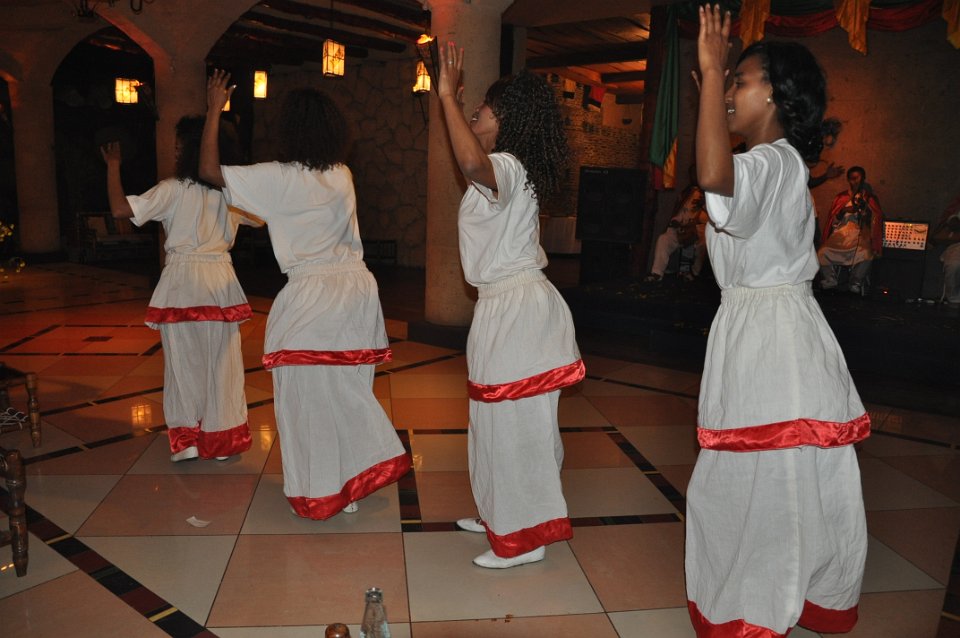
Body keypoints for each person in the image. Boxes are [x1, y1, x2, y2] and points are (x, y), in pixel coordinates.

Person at [686, 6, 870, 637]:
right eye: (728, 81)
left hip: (772, 339)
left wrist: (710, 77)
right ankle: (795, 594)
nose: (728, 92)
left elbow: (713, 175)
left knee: (767, 474)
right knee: (782, 475)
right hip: (764, 329)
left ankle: (758, 606)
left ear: (776, 95)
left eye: (739, 81)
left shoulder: (773, 161)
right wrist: (715, 91)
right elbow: (720, 178)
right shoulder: (772, 163)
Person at [200, 71, 410, 519]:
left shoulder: (278, 177)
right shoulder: (342, 174)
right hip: (357, 290)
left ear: (289, 130)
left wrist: (214, 110)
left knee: (305, 395)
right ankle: (349, 482)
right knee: (347, 387)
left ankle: (323, 489)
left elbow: (208, 172)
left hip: (314, 293)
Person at [436, 43, 585, 569]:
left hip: (518, 311)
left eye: (486, 105)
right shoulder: (511, 171)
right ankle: (502, 512)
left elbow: (471, 161)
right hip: (507, 307)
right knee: (496, 422)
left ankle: (526, 536)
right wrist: (455, 106)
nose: (477, 108)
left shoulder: (508, 166)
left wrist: (446, 98)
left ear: (508, 119)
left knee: (516, 426)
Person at [101, 116, 254, 462]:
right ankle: (221, 440)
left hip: (182, 282)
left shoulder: (173, 189)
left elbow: (120, 209)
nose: (176, 151)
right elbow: (264, 216)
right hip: (219, 282)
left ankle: (186, 441)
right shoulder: (232, 192)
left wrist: (112, 166)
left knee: (182, 365)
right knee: (222, 366)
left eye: (181, 145)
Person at [817, 166, 884, 294]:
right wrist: (844, 210)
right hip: (841, 233)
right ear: (848, 180)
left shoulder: (868, 198)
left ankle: (855, 282)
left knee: (866, 254)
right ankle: (830, 280)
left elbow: (877, 218)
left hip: (860, 233)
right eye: (853, 178)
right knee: (822, 253)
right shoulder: (841, 197)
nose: (856, 181)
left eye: (859, 178)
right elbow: (833, 221)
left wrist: (866, 215)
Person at [645, 169, 709, 282]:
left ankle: (694, 273)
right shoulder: (686, 192)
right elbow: (680, 211)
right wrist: (675, 221)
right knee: (664, 239)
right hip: (681, 229)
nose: (694, 177)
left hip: (699, 229)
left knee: (703, 243)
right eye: (692, 175)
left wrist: (704, 204)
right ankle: (657, 273)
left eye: (696, 174)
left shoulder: (709, 193)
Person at [932, 194, 960, 304]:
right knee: (954, 264)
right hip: (956, 244)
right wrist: (953, 221)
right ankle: (953, 299)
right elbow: (949, 219)